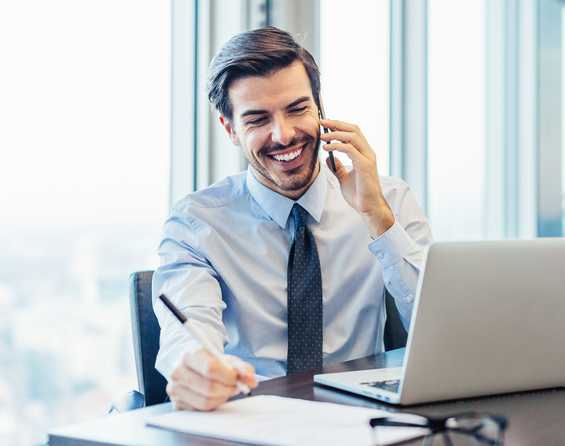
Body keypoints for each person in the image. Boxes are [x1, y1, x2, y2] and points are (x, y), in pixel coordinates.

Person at [152, 26, 433, 411]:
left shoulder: (390, 199)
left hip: (363, 419)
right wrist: (196, 367)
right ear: (230, 129)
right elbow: (188, 332)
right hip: (253, 415)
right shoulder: (196, 223)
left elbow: (442, 333)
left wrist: (376, 216)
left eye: (298, 109)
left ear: (320, 106)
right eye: (257, 120)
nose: (283, 135)